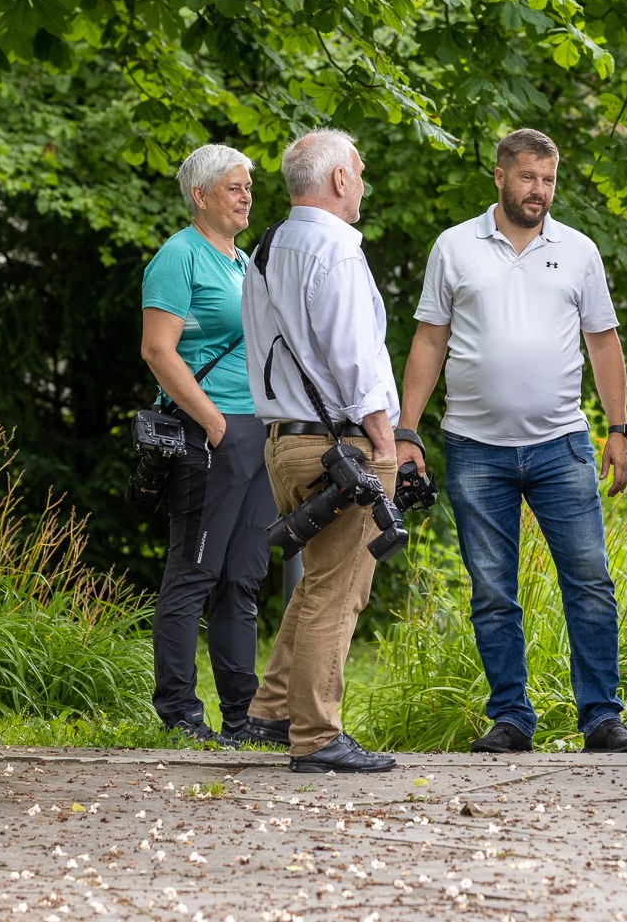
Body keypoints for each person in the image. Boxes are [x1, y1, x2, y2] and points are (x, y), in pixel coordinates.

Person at [399, 128, 627, 755]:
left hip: (562, 444)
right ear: (500, 177)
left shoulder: (579, 250)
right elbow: (430, 339)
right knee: (492, 590)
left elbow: (603, 343)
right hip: (474, 447)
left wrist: (618, 429)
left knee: (590, 582)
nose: (539, 190)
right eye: (529, 177)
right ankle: (510, 717)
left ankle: (602, 718)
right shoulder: (454, 247)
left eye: (549, 180)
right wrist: (406, 431)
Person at [238, 130, 399, 774]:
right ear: (337, 179)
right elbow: (355, 360)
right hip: (342, 445)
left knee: (318, 584)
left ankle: (271, 712)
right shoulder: (335, 249)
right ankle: (317, 737)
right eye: (359, 173)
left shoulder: (267, 246)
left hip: (285, 441)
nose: (363, 185)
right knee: (338, 592)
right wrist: (386, 443)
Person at [139, 143, 275, 747]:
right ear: (200, 196)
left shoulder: (244, 262)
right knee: (194, 573)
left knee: (241, 579)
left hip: (258, 433)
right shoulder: (179, 256)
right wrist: (215, 424)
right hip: (209, 433)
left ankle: (242, 717)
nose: (247, 197)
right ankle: (179, 714)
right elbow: (157, 350)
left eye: (248, 187)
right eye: (234, 187)